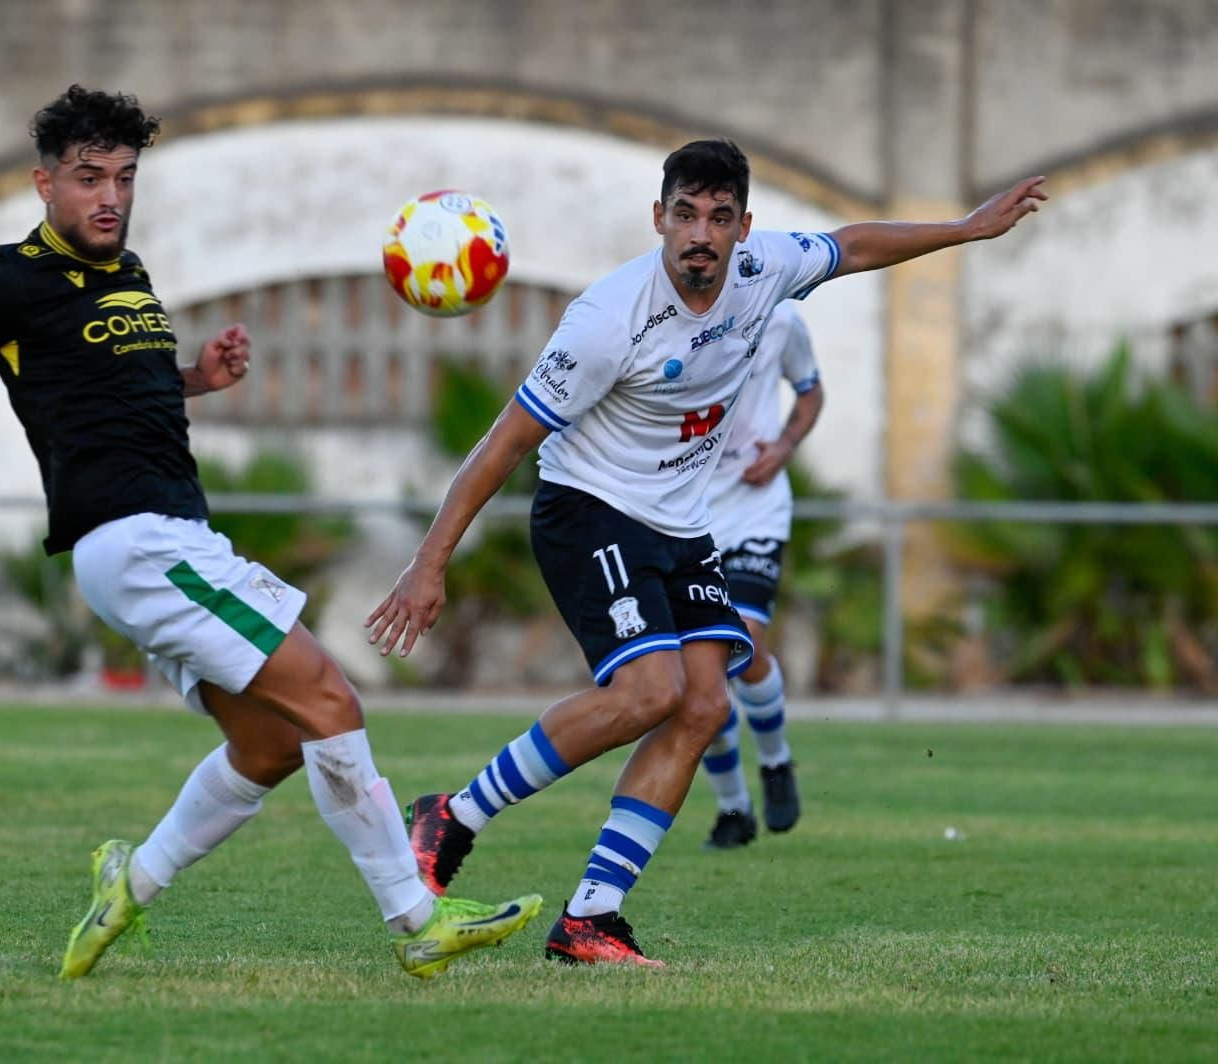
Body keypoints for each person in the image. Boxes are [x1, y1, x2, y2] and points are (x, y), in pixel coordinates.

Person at [0, 85, 540, 980]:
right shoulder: (6, 282)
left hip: (160, 540)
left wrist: (197, 374)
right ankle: (415, 917)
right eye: (89, 179)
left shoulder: (129, 272)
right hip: (138, 540)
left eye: (123, 177)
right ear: (46, 185)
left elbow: (121, 390)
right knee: (331, 700)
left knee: (271, 744)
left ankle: (132, 882)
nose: (109, 196)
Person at [367, 139, 1045, 966]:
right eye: (685, 214)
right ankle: (453, 816)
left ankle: (592, 917)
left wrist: (967, 230)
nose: (701, 233)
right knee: (649, 690)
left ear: (743, 228)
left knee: (703, 705)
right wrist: (429, 561)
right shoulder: (608, 318)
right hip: (590, 508)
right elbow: (505, 440)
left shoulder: (767, 271)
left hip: (682, 525)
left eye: (719, 218)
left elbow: (856, 244)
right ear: (659, 218)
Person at [696, 301, 821, 850]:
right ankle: (733, 808)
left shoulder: (781, 317)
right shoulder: (659, 311)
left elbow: (810, 391)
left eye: (723, 217)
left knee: (742, 639)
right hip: (686, 514)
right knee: (697, 675)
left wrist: (785, 446)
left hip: (755, 508)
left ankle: (775, 761)